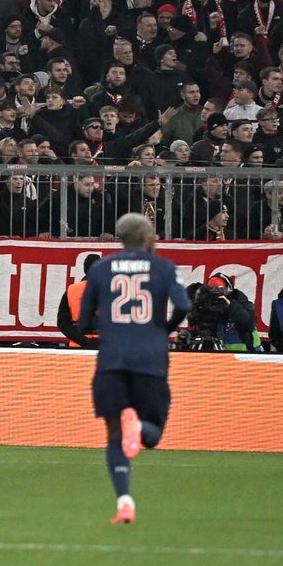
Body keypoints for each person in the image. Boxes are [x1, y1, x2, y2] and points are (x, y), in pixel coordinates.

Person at [77, 213, 191, 524]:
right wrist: (161, 329)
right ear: (145, 236)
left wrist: (110, 329)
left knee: (114, 435)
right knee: (151, 435)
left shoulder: (100, 269)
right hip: (150, 360)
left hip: (112, 361)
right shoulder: (164, 267)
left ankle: (124, 501)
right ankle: (138, 427)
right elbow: (183, 306)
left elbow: (83, 320)